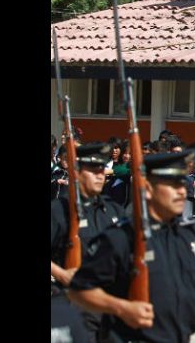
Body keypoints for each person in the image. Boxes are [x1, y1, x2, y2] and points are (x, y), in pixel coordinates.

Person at [68, 150, 195, 343]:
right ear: (148, 188)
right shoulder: (122, 238)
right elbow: (79, 291)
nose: (182, 191)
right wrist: (122, 308)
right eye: (172, 185)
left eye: (182, 183)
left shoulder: (192, 236)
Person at [50, 142, 127, 341]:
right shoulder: (59, 210)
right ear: (77, 172)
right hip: (75, 304)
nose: (100, 175)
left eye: (102, 170)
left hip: (109, 305)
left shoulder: (113, 211)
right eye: (93, 170)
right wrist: (62, 274)